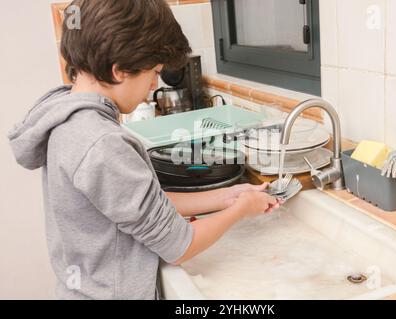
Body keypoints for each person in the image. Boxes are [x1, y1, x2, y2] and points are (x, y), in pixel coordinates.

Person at [7, 0, 281, 299]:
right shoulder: (100, 142)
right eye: (154, 71)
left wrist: (226, 197)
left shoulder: (70, 119)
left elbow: (141, 204)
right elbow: (180, 247)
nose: (153, 84)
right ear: (120, 70)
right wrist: (241, 211)